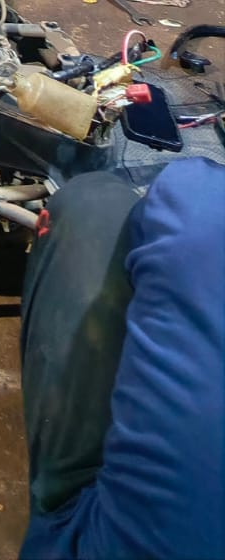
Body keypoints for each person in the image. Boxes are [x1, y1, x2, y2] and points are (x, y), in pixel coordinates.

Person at [18, 157, 224, 560]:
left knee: (92, 206)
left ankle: (56, 504)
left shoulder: (199, 197)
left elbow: (189, 201)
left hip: (94, 547)